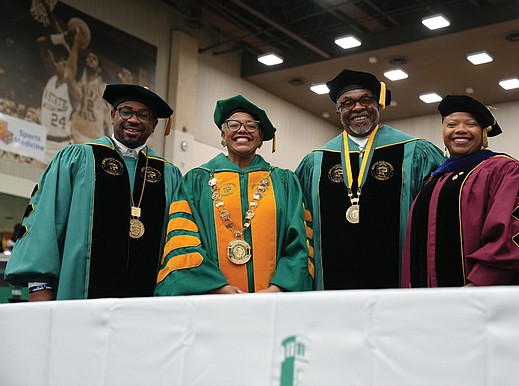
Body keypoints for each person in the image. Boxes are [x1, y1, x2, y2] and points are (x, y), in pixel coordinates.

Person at [5, 84, 182, 300]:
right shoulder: (78, 159)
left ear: (154, 125)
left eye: (144, 115)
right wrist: (39, 286)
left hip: (147, 305)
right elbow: (45, 222)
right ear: (112, 115)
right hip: (79, 298)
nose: (134, 120)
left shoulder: (168, 175)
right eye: (126, 111)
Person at [295, 69, 445, 290]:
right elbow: (302, 223)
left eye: (366, 100)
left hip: (398, 279)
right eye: (347, 103)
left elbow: (434, 215)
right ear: (338, 112)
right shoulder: (317, 161)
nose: (358, 108)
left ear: (378, 105)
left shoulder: (414, 152)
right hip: (332, 282)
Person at [402, 95, 519, 287]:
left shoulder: (504, 171)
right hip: (431, 301)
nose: (460, 130)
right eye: (451, 124)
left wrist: (481, 283)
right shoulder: (434, 181)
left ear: (483, 132)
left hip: (483, 297)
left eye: (471, 124)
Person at [155, 95, 313, 295]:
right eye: (233, 124)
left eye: (251, 126)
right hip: (212, 299)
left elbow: (300, 241)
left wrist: (277, 289)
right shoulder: (196, 181)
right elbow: (182, 239)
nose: (242, 130)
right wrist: (219, 288)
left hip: (273, 302)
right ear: (222, 134)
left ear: (261, 136)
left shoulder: (285, 183)